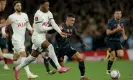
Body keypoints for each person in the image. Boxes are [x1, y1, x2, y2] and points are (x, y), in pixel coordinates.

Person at [13, 0, 70, 80]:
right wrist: (52, 27)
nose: (48, 7)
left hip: (42, 38)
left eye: (48, 5)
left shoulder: (49, 13)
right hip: (36, 37)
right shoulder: (37, 14)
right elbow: (40, 29)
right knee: (50, 46)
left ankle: (17, 69)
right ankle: (59, 68)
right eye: (46, 5)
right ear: (41, 5)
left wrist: (60, 32)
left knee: (31, 58)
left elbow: (53, 23)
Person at [0, 0, 38, 79]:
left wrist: (31, 30)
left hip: (22, 39)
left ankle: (1, 55)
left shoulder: (24, 15)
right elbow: (4, 25)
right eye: (17, 5)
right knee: (23, 54)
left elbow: (28, 25)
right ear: (14, 7)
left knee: (16, 57)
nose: (19, 7)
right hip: (16, 39)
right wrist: (2, 30)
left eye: (20, 5)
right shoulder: (12, 16)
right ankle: (28, 74)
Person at [54, 14, 89, 80]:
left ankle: (82, 77)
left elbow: (77, 36)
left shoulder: (72, 28)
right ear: (67, 20)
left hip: (68, 48)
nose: (73, 22)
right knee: (61, 71)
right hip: (60, 50)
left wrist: (82, 43)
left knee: (80, 59)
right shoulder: (61, 26)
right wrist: (59, 32)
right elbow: (55, 34)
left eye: (74, 21)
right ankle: (53, 66)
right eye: (72, 20)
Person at [106, 8, 127, 74]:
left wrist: (124, 35)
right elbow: (108, 32)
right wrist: (116, 30)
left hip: (117, 40)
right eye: (117, 13)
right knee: (113, 56)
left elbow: (122, 28)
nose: (119, 15)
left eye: (120, 13)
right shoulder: (110, 22)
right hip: (110, 40)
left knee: (121, 55)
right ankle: (108, 70)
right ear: (114, 15)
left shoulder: (122, 21)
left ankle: (110, 55)